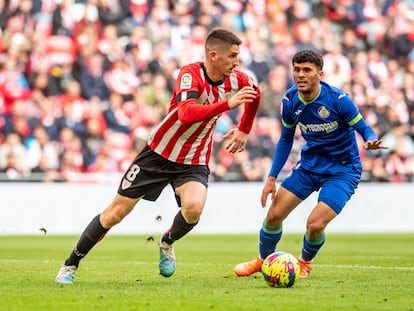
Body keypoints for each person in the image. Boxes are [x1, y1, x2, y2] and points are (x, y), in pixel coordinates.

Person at [55, 28, 261, 284]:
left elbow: (255, 93)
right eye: (232, 56)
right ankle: (70, 264)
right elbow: (186, 114)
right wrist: (227, 105)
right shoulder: (190, 74)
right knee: (114, 214)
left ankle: (167, 241)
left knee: (194, 209)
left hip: (193, 159)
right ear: (213, 55)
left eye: (237, 56)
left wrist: (244, 130)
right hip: (158, 154)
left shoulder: (237, 79)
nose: (236, 62)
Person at [233, 50, 387, 278]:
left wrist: (370, 139)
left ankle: (305, 262)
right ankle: (263, 260)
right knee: (274, 215)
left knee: (314, 224)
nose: (300, 75)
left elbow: (364, 128)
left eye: (307, 70)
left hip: (342, 171)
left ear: (320, 74)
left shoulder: (338, 100)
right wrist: (272, 177)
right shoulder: (290, 100)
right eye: (297, 69)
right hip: (309, 167)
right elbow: (285, 139)